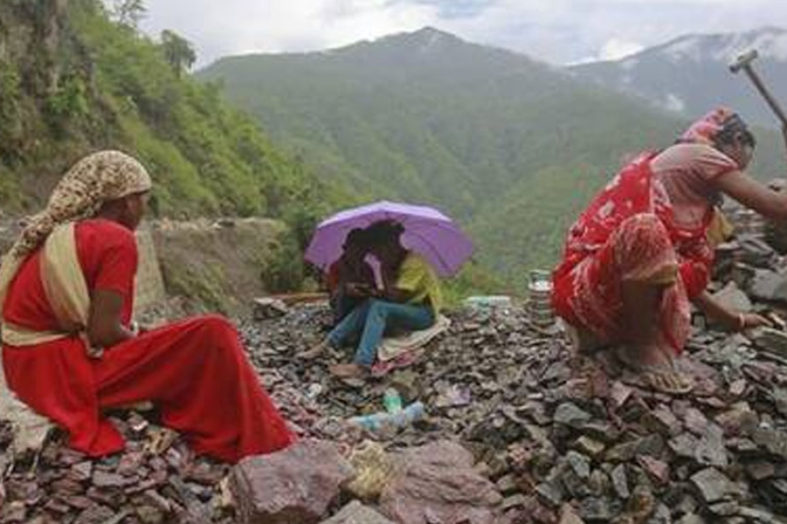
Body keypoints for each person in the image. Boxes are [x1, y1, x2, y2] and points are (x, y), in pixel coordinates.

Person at [0, 151, 294, 463]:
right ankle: (269, 440)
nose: (143, 209)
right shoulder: (116, 239)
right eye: (143, 200)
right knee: (214, 332)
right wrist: (149, 344)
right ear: (127, 202)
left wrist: (148, 339)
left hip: (25, 369)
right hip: (60, 378)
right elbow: (103, 333)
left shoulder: (63, 234)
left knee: (178, 340)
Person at [552, 108, 782, 394]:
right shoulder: (698, 155)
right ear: (736, 140)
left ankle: (622, 336)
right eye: (743, 160)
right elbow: (778, 210)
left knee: (683, 254)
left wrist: (734, 319)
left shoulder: (693, 200)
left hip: (608, 301)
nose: (739, 172)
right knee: (645, 230)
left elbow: (668, 271)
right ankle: (641, 345)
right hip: (588, 294)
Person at [302, 220, 442, 378]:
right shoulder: (340, 266)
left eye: (378, 253)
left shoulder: (414, 263)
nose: (378, 258)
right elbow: (388, 297)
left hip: (423, 313)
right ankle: (329, 343)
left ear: (391, 245)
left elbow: (395, 298)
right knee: (371, 304)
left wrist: (385, 271)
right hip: (404, 308)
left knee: (378, 308)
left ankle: (362, 364)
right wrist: (372, 291)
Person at [324, 228, 376, 324]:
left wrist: (366, 289)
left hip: (364, 302)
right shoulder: (336, 266)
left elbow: (374, 288)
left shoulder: (367, 268)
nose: (359, 253)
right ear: (347, 249)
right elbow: (333, 291)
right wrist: (347, 288)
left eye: (363, 251)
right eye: (355, 249)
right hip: (342, 303)